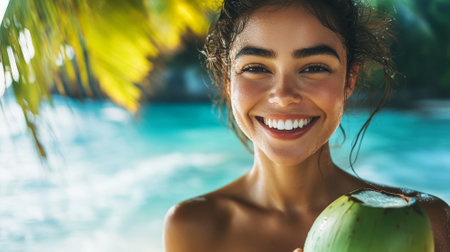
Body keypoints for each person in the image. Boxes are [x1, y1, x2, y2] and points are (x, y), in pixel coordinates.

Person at [163, 0, 449, 251]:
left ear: (349, 80)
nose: (284, 96)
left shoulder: (426, 220)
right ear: (228, 81)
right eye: (256, 68)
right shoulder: (191, 227)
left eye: (314, 68)